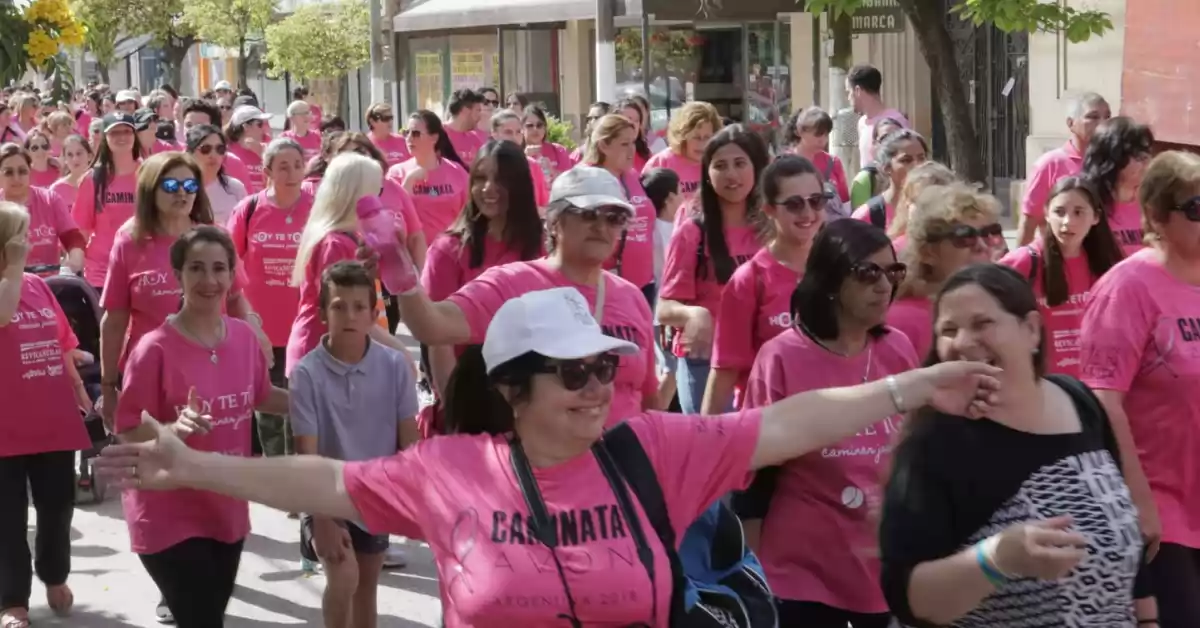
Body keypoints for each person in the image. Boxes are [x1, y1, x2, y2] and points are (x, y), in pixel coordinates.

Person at [96, 284, 1002, 627]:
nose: (597, 385)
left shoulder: (652, 449)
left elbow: (787, 425)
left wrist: (912, 388)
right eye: (571, 372)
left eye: (604, 366)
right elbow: (326, 479)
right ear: (514, 389)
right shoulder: (451, 467)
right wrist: (195, 467)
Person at [880, 263, 1157, 627]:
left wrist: (1147, 618)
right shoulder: (936, 444)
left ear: (1031, 330)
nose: (963, 342)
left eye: (982, 323)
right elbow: (909, 597)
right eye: (948, 330)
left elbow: (1121, 527)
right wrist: (994, 560)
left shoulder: (1078, 401)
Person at [112, 225, 289, 628]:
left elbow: (261, 396)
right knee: (202, 619)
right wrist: (173, 428)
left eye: (219, 269)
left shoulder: (244, 337)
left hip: (226, 504)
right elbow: (127, 429)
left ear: (231, 275)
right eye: (196, 269)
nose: (209, 280)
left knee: (210, 618)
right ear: (178, 276)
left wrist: (313, 402)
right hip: (167, 510)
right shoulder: (153, 349)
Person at [740, 219, 914, 627]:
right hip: (800, 571)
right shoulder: (782, 356)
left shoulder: (897, 349)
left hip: (877, 562)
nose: (884, 285)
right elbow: (754, 471)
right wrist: (750, 571)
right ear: (832, 279)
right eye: (868, 272)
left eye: (893, 272)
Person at [396, 165, 659, 426]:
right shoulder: (512, 284)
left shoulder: (632, 297)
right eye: (588, 214)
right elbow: (432, 326)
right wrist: (398, 271)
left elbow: (647, 397)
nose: (601, 226)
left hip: (624, 461)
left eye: (614, 217)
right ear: (555, 222)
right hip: (544, 461)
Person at [1080, 150, 1200, 628]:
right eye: (1196, 208)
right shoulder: (1128, 288)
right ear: (1155, 215)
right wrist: (1139, 499)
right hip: (1159, 506)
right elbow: (1103, 398)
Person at [290, 261, 420, 628]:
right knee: (344, 577)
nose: (349, 315)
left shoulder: (395, 367)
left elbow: (408, 441)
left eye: (359, 306)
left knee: (366, 587)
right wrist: (323, 518)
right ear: (321, 313)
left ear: (375, 314)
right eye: (338, 306)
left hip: (376, 493)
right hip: (324, 494)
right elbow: (307, 456)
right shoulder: (306, 374)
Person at [99, 152, 266, 432]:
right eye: (170, 186)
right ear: (150, 190)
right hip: (150, 375)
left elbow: (236, 299)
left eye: (190, 186)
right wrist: (107, 386)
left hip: (212, 369)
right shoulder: (129, 242)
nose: (182, 193)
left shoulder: (215, 236)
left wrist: (258, 339)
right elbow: (114, 319)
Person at [0, 201, 92, 628]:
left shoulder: (37, 287)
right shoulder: (16, 282)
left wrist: (76, 385)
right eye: (18, 235)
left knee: (57, 507)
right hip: (5, 427)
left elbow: (61, 341)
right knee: (7, 518)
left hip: (51, 419)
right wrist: (15, 269)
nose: (27, 242)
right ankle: (11, 601)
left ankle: (54, 574)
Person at [656, 124, 771, 414]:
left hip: (764, 359)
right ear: (707, 174)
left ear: (757, 168)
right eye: (720, 165)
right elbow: (664, 308)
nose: (731, 174)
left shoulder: (773, 229)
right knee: (714, 451)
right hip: (705, 363)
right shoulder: (693, 233)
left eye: (740, 163)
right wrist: (695, 314)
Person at [421, 140, 544, 397]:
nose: (488, 188)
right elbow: (439, 341)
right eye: (479, 178)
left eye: (500, 179)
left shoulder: (543, 247)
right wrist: (453, 410)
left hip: (534, 395)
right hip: (472, 396)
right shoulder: (448, 250)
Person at [706, 155, 824, 413]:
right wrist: (706, 443)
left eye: (816, 201)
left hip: (831, 427)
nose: (807, 213)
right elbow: (725, 370)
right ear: (769, 209)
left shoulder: (837, 269)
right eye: (794, 204)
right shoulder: (749, 280)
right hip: (768, 429)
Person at [286, 152, 412, 375]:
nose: (379, 199)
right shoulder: (335, 243)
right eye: (376, 190)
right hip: (321, 359)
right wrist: (400, 350)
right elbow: (346, 312)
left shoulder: (348, 237)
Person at [228, 137, 313, 462]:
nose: (292, 173)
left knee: (302, 400)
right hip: (261, 326)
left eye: (297, 165)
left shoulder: (316, 207)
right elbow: (230, 260)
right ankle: (277, 470)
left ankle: (299, 472)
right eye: (282, 167)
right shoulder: (249, 209)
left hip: (305, 325)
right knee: (267, 400)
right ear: (267, 171)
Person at [999, 177, 1122, 377]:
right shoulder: (1023, 262)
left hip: (1089, 387)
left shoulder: (1105, 264)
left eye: (1078, 212)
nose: (1067, 222)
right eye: (1059, 212)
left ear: (1096, 217)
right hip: (1038, 385)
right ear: (1046, 214)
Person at [886, 183, 1003, 358]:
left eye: (988, 233)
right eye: (965, 236)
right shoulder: (900, 322)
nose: (981, 245)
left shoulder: (999, 306)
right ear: (928, 252)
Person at [1017, 92, 1111, 246]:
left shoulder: (1113, 163)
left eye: (1107, 117)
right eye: (1093, 117)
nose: (1102, 124)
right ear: (1070, 123)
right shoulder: (1050, 164)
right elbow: (1029, 222)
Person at [583, 114, 657, 303]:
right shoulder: (585, 179)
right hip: (604, 286)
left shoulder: (631, 175)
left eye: (633, 142)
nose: (632, 150)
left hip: (643, 283)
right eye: (624, 144)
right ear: (603, 145)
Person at [386, 110, 469, 244]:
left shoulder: (456, 171)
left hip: (450, 252)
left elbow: (470, 213)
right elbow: (391, 218)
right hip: (413, 255)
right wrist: (408, 183)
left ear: (434, 138)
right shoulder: (396, 173)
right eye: (406, 133)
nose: (409, 138)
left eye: (416, 133)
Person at [0, 143, 84, 274]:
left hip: (49, 285)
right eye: (8, 172)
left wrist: (75, 258)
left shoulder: (50, 200)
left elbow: (72, 237)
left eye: (22, 171)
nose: (16, 178)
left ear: (30, 171)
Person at [1080, 116, 1154, 255]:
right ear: (1113, 158)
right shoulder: (1085, 203)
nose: (1146, 161)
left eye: (1148, 154)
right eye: (1138, 155)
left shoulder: (1153, 203)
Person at [644, 101, 721, 210]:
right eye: (696, 137)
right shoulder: (662, 161)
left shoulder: (717, 162)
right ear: (683, 136)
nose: (701, 144)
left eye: (707, 137)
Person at [851, 129, 929, 230]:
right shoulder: (867, 216)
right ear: (886, 167)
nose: (917, 166)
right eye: (906, 160)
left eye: (921, 158)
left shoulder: (939, 208)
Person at [880, 161, 957, 253]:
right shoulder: (893, 251)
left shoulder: (963, 247)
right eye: (921, 203)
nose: (930, 213)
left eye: (938, 204)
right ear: (907, 204)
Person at [781, 107, 850, 206]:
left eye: (826, 135)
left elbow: (844, 202)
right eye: (818, 134)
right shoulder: (783, 163)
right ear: (799, 131)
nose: (822, 140)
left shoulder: (833, 162)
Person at [846, 64, 910, 169]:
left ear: (857, 91)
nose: (848, 98)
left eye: (848, 92)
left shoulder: (895, 121)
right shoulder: (862, 123)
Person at [186, 125, 248, 226]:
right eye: (206, 149)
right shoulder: (181, 188)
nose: (213, 155)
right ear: (190, 152)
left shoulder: (236, 188)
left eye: (220, 149)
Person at [490, 110, 549, 208]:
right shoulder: (486, 166)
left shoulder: (532, 165)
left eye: (518, 132)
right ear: (494, 134)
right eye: (508, 132)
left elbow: (544, 205)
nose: (514, 137)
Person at [849, 118, 904, 210]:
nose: (892, 143)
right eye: (885, 138)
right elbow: (859, 221)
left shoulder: (914, 173)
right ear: (875, 144)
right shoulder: (865, 180)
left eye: (898, 138)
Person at [520, 104, 574, 189]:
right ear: (522, 129)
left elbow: (570, 182)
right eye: (530, 126)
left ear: (545, 128)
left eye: (539, 125)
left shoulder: (558, 150)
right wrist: (523, 159)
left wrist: (552, 170)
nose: (535, 129)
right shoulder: (517, 153)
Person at [224, 105, 272, 194]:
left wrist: (263, 155)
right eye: (260, 124)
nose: (264, 129)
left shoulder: (268, 149)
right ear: (246, 127)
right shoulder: (227, 152)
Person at [441, 89, 485, 164]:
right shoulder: (436, 135)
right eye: (478, 110)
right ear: (465, 110)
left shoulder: (475, 139)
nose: (480, 116)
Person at [364, 103, 408, 167]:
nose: (390, 122)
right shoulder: (365, 143)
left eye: (391, 118)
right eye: (385, 118)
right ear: (372, 121)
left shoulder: (402, 141)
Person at [615, 98, 653, 173]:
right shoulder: (606, 152)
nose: (633, 125)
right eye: (628, 119)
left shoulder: (645, 154)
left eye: (637, 121)